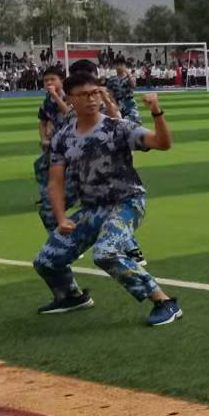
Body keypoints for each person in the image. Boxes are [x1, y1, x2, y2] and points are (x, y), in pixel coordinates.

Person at [32, 74, 181, 326]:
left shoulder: (117, 128)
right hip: (93, 208)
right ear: (70, 99)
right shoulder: (63, 137)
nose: (91, 99)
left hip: (127, 202)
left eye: (95, 93)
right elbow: (55, 182)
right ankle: (71, 297)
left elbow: (162, 143)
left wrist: (156, 111)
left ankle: (164, 302)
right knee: (46, 261)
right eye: (84, 95)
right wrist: (61, 218)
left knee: (105, 253)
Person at [34, 68, 76, 228]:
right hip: (56, 143)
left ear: (61, 81)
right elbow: (42, 121)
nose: (49, 83)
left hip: (73, 142)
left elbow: (70, 115)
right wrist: (44, 138)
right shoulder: (47, 101)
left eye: (52, 79)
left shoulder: (70, 96)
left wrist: (56, 96)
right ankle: (48, 196)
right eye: (46, 80)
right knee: (41, 166)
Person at [105, 57, 141, 124]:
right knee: (118, 124)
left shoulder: (130, 77)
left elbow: (133, 86)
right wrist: (115, 105)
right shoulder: (111, 79)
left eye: (121, 64)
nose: (119, 66)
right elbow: (110, 95)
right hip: (118, 105)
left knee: (134, 124)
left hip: (130, 104)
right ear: (114, 66)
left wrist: (128, 74)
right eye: (117, 64)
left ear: (125, 66)